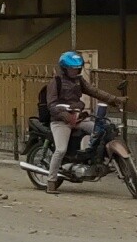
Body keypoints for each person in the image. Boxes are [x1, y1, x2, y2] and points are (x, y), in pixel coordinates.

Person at [39, 50, 124, 195]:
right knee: (60, 150)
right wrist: (66, 116)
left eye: (78, 68)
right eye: (73, 68)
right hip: (60, 122)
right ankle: (51, 182)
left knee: (100, 130)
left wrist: (114, 99)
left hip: (78, 117)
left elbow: (94, 91)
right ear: (65, 69)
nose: (76, 71)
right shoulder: (55, 82)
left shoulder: (79, 81)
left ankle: (93, 159)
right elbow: (51, 105)